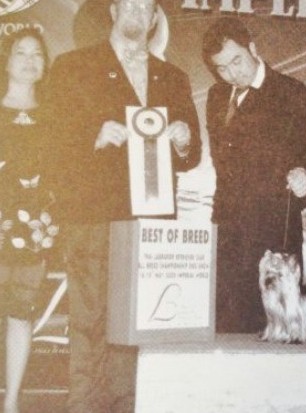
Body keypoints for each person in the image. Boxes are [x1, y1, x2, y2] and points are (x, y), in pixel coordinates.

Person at [46, 0, 201, 411]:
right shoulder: (72, 66)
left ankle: (129, 406)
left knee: (138, 325)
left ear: (154, 19)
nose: (136, 10)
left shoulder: (174, 77)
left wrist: (184, 139)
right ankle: (84, 406)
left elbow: (193, 156)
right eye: (128, 3)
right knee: (89, 323)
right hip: (93, 217)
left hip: (151, 224)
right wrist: (93, 137)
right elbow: (51, 141)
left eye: (145, 5)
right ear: (113, 11)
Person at [202, 17, 306, 333]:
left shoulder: (289, 91)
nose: (232, 74)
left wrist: (301, 174)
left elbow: (301, 148)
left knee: (277, 326)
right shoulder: (216, 96)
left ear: (252, 48)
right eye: (222, 68)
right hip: (228, 230)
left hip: (273, 228)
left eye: (237, 61)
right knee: (227, 326)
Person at [0, 28, 53, 413]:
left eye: (37, 54)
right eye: (21, 52)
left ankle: (12, 401)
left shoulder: (55, 114)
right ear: (6, 61)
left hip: (34, 230)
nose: (30, 60)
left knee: (20, 313)